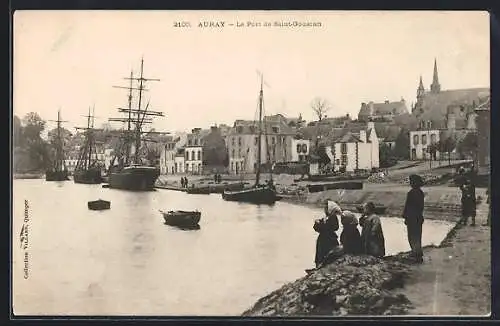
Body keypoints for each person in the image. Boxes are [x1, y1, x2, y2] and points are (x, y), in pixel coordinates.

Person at [403, 174, 425, 263]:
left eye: (411, 182)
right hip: (418, 217)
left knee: (412, 236)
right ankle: (417, 252)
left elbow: (408, 206)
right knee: (417, 235)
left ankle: (416, 254)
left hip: (412, 218)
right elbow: (420, 207)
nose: (410, 183)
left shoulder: (412, 193)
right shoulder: (420, 192)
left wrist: (405, 216)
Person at [313, 200, 341, 268]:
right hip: (323, 238)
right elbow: (316, 228)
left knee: (326, 255)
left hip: (328, 239)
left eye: (326, 208)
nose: (324, 209)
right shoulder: (325, 218)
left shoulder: (333, 217)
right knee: (321, 255)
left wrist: (321, 224)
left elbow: (335, 227)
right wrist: (319, 223)